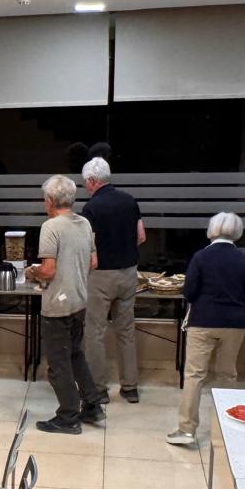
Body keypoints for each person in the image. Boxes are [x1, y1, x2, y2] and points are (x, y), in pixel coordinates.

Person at [169, 212, 245, 446]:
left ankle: (186, 430)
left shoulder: (201, 257)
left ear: (211, 230)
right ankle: (226, 429)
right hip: (234, 323)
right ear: (237, 232)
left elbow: (189, 292)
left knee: (194, 375)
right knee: (227, 374)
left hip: (203, 321)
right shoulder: (244, 261)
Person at [25, 174, 103, 434]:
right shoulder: (84, 223)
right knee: (75, 354)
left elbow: (48, 270)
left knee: (58, 363)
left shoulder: (51, 227)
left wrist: (32, 271)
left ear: (49, 200)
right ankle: (92, 404)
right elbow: (93, 262)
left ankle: (68, 416)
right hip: (79, 299)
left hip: (57, 305)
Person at [80, 156, 146, 404]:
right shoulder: (130, 201)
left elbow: (89, 247)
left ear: (92, 180)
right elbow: (141, 236)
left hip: (101, 276)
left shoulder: (91, 208)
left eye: (85, 182)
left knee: (94, 332)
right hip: (128, 273)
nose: (86, 187)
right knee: (126, 330)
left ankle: (98, 389)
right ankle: (130, 387)